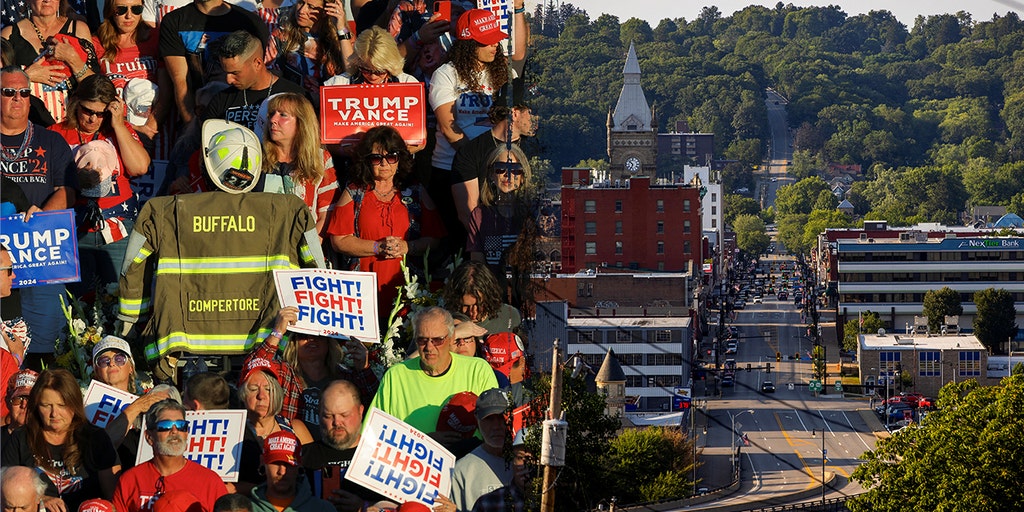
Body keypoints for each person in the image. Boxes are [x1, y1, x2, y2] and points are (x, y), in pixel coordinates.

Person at [427, 7, 527, 253]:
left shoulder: (505, 73)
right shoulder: (446, 74)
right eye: (487, 41)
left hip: (496, 170)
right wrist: (477, 161)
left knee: (496, 239)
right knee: (465, 240)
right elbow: (449, 128)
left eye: (496, 39)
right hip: (452, 168)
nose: (495, 45)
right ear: (469, 43)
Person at [0, 66, 77, 370]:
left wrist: (43, 213)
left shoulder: (51, 141)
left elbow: (68, 191)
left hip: (43, 254)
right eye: (8, 92)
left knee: (47, 345)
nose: (16, 99)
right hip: (0, 261)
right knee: (6, 349)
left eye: (23, 93)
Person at [327, 126, 444, 313]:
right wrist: (377, 247)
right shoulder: (354, 192)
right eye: (376, 158)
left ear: (399, 159)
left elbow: (435, 239)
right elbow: (338, 241)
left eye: (391, 156)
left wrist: (408, 247)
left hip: (409, 290)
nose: (384, 163)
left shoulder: (416, 191)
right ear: (366, 161)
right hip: (361, 290)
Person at [49, 73, 150, 292]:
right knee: (76, 305)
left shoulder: (118, 131)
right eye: (87, 110)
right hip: (73, 231)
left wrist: (119, 125)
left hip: (118, 228)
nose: (93, 119)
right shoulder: (54, 134)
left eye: (100, 113)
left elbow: (140, 167)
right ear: (75, 102)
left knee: (117, 299)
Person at [368, 306, 498, 440]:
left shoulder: (477, 370)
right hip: (415, 459)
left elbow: (496, 427)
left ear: (452, 337)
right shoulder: (395, 376)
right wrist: (427, 443)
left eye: (437, 340)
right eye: (422, 340)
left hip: (469, 457)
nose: (429, 347)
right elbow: (374, 434)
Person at [1, 368, 117, 512]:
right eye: (46, 405)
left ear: (75, 404)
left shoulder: (96, 438)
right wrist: (40, 498)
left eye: (62, 405)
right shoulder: (21, 438)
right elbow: (5, 490)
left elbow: (113, 499)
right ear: (36, 406)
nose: (54, 413)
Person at [248, 306, 379, 432]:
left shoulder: (346, 378)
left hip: (335, 449)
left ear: (329, 343)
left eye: (319, 335)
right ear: (294, 343)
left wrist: (363, 367)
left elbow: (376, 407)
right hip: (292, 450)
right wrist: (277, 332)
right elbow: (252, 371)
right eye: (304, 335)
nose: (311, 339)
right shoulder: (283, 373)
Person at [158, 0, 269, 126]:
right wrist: (193, 129)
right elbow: (181, 82)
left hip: (241, 118)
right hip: (198, 113)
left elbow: (258, 76)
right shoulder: (174, 21)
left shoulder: (250, 22)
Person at [112, 399, 228, 512]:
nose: (174, 431)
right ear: (149, 437)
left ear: (186, 433)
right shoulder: (130, 480)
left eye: (181, 425)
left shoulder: (210, 482)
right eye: (165, 426)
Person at [301, 380, 394, 512]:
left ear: (361, 411)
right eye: (328, 416)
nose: (337, 422)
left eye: (344, 415)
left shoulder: (385, 457)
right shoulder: (303, 457)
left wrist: (365, 506)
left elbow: (403, 506)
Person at [0, 0, 97, 122]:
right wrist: (26, 76)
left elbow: (97, 86)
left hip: (75, 124)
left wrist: (74, 60)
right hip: (30, 125)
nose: (47, 0)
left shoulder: (78, 29)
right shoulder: (9, 34)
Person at [259, 93, 340, 238]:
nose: (273, 120)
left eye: (283, 115)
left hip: (306, 247)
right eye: (272, 114)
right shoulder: (256, 156)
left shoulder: (321, 158)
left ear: (301, 123)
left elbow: (327, 213)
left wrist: (309, 247)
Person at [92, 0, 170, 148]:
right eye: (121, 10)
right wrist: (130, 129)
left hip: (156, 130)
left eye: (136, 9)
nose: (129, 15)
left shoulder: (157, 37)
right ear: (110, 11)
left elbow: (167, 91)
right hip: (114, 131)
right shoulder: (96, 43)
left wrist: (149, 127)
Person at [450, 104, 536, 230]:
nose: (537, 119)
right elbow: (468, 213)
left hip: (525, 237)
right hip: (486, 236)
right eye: (532, 113)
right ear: (515, 113)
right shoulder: (471, 152)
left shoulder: (535, 150)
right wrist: (490, 243)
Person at [203, 30, 304, 131]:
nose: (228, 80)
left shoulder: (296, 97)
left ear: (257, 64)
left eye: (235, 73)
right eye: (226, 72)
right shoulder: (220, 101)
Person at [269, 0, 350, 103]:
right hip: (293, 106)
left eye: (311, 7)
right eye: (300, 2)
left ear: (327, 11)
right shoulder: (281, 36)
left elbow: (351, 70)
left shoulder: (343, 38)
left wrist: (341, 29)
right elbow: (270, 78)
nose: (301, 10)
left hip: (333, 106)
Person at [450, 389, 514, 512]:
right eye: (489, 419)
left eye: (502, 417)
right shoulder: (461, 471)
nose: (496, 426)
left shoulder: (527, 465)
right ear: (477, 419)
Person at [249, 430, 335, 512]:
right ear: (262, 462)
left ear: (300, 464)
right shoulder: (245, 508)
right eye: (275, 463)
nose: (282, 471)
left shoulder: (322, 509)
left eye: (289, 464)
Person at [239, 357, 314, 444]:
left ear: (277, 393)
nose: (261, 396)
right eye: (253, 389)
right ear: (243, 395)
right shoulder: (234, 431)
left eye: (268, 390)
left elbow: (312, 457)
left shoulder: (295, 429)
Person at [441, 261, 520, 335]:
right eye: (466, 306)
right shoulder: (443, 321)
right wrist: (455, 334)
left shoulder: (511, 317)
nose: (473, 313)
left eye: (479, 305)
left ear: (489, 297)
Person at [323, 25, 415, 86]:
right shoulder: (339, 84)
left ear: (390, 65)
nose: (373, 76)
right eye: (366, 70)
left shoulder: (407, 83)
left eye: (379, 72)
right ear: (358, 62)